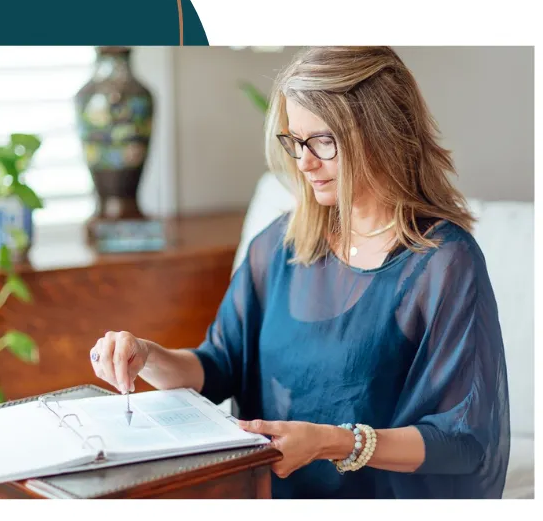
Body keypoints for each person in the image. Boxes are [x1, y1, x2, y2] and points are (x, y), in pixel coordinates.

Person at [88, 46, 510, 499]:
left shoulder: (443, 262)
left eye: (323, 141)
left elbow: (463, 438)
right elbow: (217, 367)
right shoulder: (280, 245)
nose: (304, 161)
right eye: (295, 141)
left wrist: (334, 442)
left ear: (384, 132)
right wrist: (148, 356)